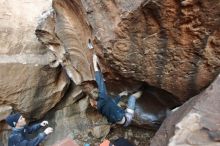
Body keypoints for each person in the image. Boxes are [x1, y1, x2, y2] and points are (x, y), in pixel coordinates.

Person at [89, 54, 143, 127]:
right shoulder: (103, 96)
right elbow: (100, 82)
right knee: (132, 97)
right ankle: (143, 90)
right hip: (127, 118)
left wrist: (121, 95)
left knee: (116, 105)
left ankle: (121, 114)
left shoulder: (100, 107)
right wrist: (94, 63)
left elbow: (112, 103)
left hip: (120, 122)